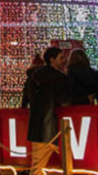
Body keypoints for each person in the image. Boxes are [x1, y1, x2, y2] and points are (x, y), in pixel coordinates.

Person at [24, 46, 70, 175]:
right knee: (70, 164)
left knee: (37, 168)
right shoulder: (59, 78)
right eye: (61, 58)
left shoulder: (34, 78)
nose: (63, 60)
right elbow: (64, 100)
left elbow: (29, 96)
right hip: (56, 128)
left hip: (38, 129)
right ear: (52, 59)